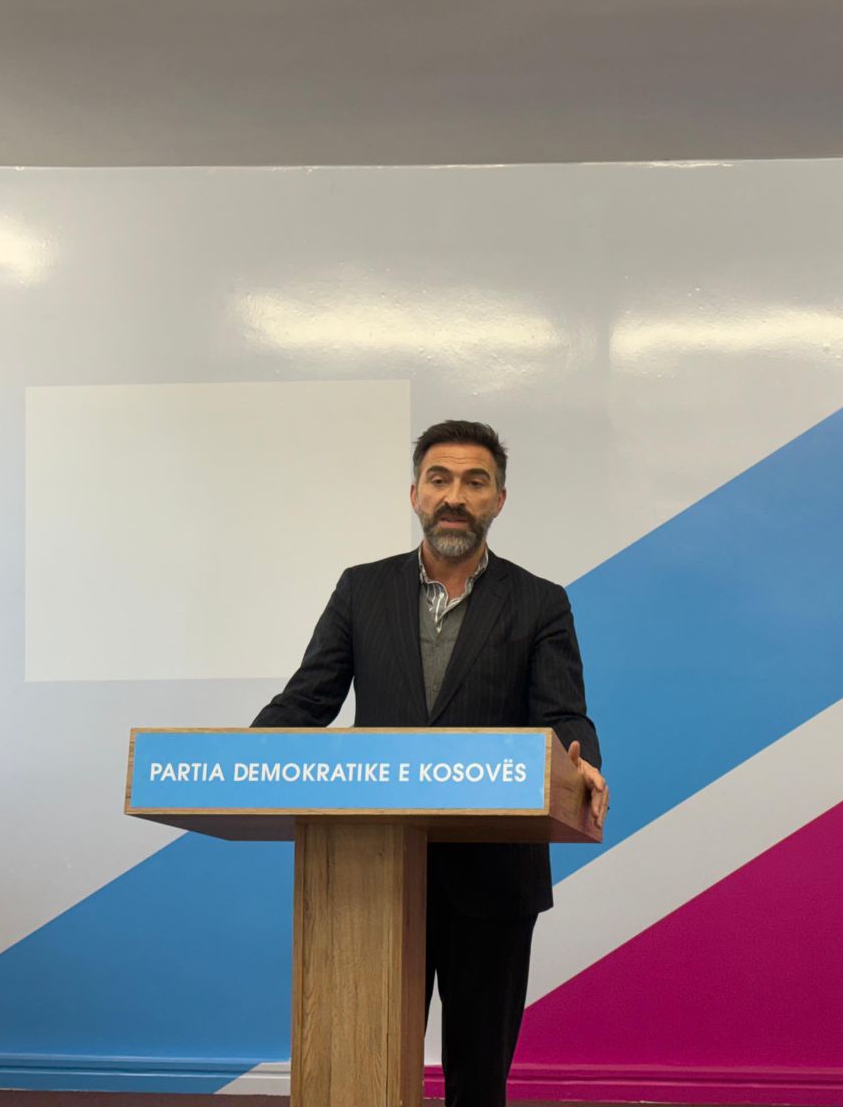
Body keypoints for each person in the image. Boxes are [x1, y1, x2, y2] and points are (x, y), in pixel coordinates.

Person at [251, 418, 607, 1107]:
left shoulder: (540, 601)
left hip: (495, 877)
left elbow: (563, 713)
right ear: (414, 493)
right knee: (364, 1074)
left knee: (478, 1081)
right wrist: (246, 755)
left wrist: (582, 763)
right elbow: (307, 700)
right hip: (371, 877)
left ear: (499, 500)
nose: (455, 497)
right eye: (439, 480)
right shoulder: (361, 590)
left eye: (475, 482)